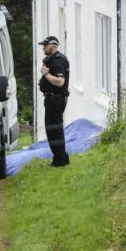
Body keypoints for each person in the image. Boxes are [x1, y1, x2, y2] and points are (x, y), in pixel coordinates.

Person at [38, 36, 70, 167]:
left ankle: (59, 160)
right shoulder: (51, 60)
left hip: (55, 99)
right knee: (53, 129)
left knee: (54, 129)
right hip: (52, 99)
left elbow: (60, 82)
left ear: (54, 45)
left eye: (46, 45)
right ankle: (62, 157)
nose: (44, 48)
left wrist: (46, 74)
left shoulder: (58, 61)